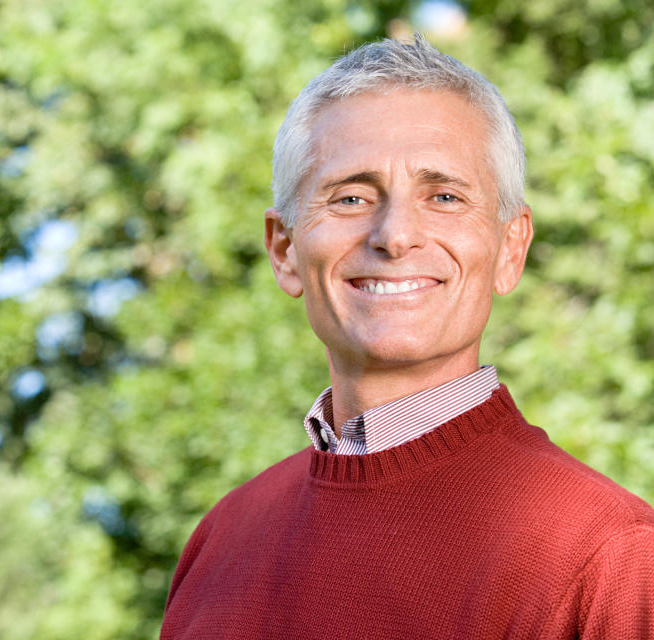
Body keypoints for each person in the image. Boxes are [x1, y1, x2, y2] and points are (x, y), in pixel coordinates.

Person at [160, 35, 654, 639]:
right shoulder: (222, 540)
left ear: (510, 248)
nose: (395, 235)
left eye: (444, 196)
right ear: (285, 250)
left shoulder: (607, 558)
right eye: (350, 197)